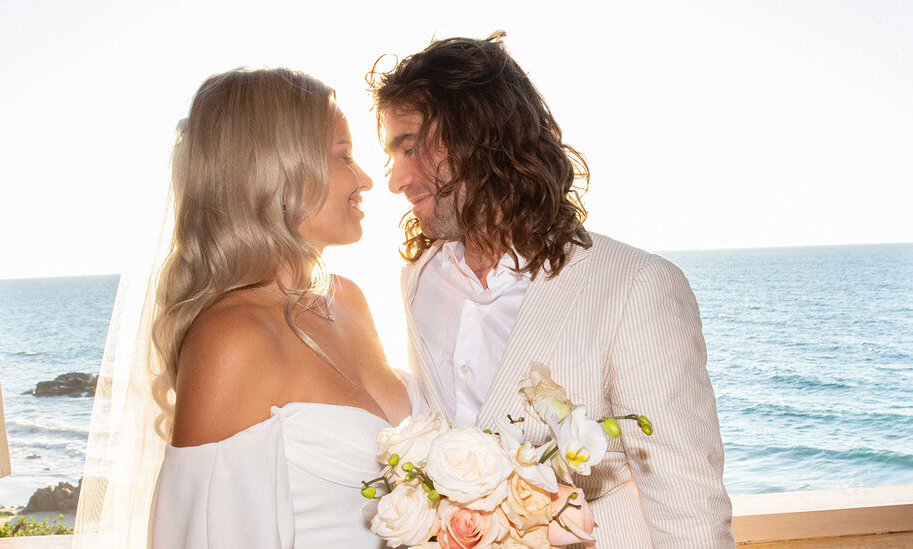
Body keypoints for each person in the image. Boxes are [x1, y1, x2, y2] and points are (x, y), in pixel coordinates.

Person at [369, 34, 735, 548]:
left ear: (478, 135)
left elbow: (688, 504)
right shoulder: (419, 282)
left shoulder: (634, 286)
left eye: (409, 147)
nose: (396, 179)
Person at [145, 68, 416, 548]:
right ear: (280, 177)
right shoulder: (231, 339)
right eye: (344, 157)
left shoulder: (347, 298)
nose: (366, 179)